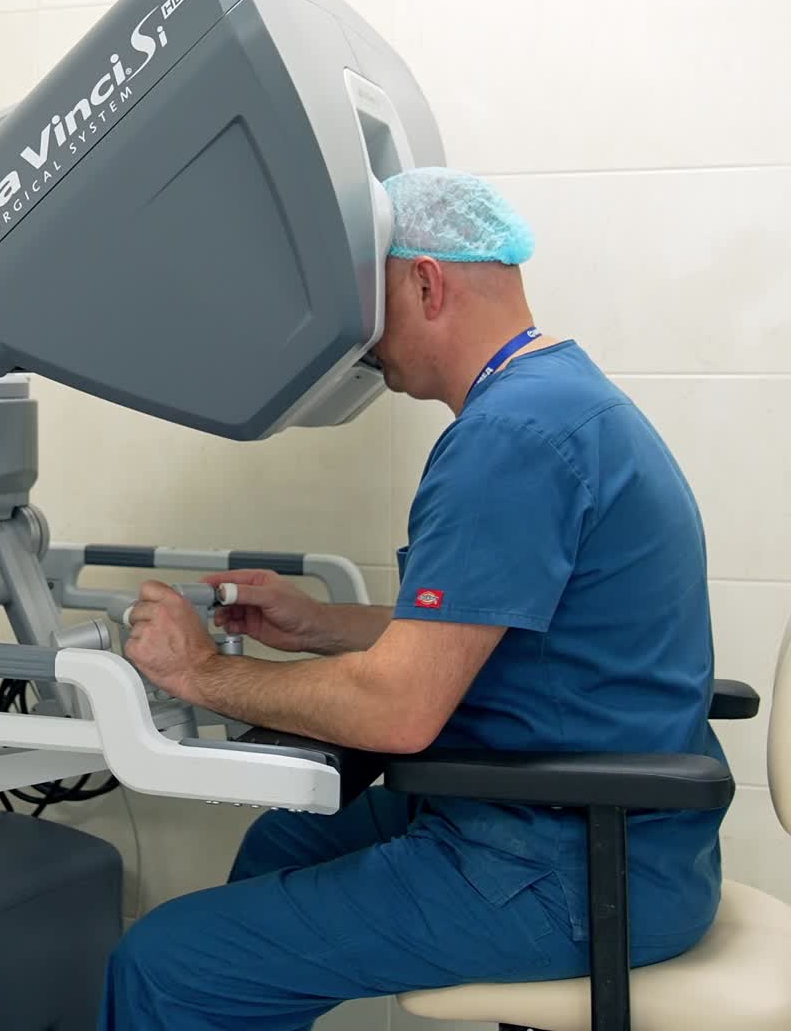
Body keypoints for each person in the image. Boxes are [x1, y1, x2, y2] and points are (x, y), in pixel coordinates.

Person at [99, 167, 727, 1030]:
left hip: (565, 864)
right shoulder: (560, 401)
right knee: (284, 842)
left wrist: (197, 671)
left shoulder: (509, 438)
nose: (361, 341)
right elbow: (480, 626)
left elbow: (398, 710)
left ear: (425, 282)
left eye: (367, 305)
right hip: (604, 828)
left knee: (167, 964)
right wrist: (317, 625)